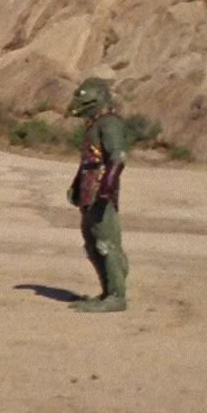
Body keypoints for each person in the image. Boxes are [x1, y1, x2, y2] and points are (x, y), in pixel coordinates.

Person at [65, 77, 129, 312]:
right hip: (89, 193)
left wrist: (106, 189)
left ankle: (117, 295)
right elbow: (89, 161)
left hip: (101, 193)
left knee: (106, 243)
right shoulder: (96, 125)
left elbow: (117, 157)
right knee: (92, 244)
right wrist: (77, 185)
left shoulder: (109, 123)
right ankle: (106, 291)